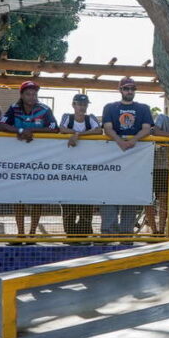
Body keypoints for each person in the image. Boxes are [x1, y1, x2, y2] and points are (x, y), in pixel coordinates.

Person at [0, 81, 59, 244]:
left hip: (39, 162)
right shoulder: (14, 108)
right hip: (17, 162)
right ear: (22, 95)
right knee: (18, 198)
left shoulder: (44, 109)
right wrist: (20, 130)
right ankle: (20, 234)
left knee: (36, 198)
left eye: (34, 94)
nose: (32, 97)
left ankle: (32, 234)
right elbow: (2, 125)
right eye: (28, 94)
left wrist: (31, 131)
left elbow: (54, 128)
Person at [100, 77, 153, 236]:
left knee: (131, 195)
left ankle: (126, 234)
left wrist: (132, 141)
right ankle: (108, 234)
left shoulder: (143, 108)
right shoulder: (110, 107)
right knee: (109, 193)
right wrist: (120, 142)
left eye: (132, 88)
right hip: (113, 157)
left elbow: (146, 128)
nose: (130, 91)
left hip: (137, 158)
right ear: (120, 90)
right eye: (126, 88)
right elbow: (107, 128)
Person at [57, 94, 102, 240]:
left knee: (86, 202)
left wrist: (78, 135)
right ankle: (70, 234)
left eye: (84, 104)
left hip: (87, 168)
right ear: (73, 105)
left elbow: (98, 130)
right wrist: (77, 133)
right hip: (68, 167)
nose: (82, 107)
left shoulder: (91, 118)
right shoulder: (67, 117)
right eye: (79, 104)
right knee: (68, 203)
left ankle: (83, 233)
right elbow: (62, 129)